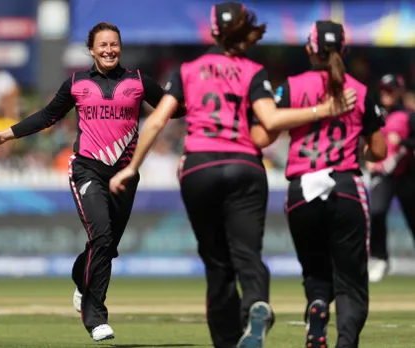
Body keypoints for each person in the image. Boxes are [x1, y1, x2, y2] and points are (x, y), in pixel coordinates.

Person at [109, 5, 357, 348]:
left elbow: (155, 121)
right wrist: (325, 110)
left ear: (212, 32)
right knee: (247, 253)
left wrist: (132, 167)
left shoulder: (188, 69)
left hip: (199, 167)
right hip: (244, 166)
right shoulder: (253, 71)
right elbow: (270, 120)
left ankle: (226, 341)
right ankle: (256, 302)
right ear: (241, 31)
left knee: (216, 260)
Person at [0, 21, 184, 343]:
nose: (109, 50)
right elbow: (48, 116)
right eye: (102, 45)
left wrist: (183, 92)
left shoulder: (139, 81)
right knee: (101, 236)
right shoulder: (76, 83)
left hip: (125, 174)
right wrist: (7, 134)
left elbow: (174, 111)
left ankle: (80, 281)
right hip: (87, 169)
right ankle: (95, 318)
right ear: (91, 49)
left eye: (114, 44)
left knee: (107, 247)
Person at [272, 20, 387, 348]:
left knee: (314, 270)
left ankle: (318, 306)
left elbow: (264, 131)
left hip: (302, 188)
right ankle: (345, 342)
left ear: (310, 49)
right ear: (344, 50)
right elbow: (379, 150)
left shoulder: (292, 86)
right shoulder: (361, 89)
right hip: (345, 185)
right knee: (351, 282)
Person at [366, 74, 415, 283]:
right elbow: (365, 137)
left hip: (406, 174)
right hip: (382, 174)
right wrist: (368, 158)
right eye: (383, 89)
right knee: (376, 213)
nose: (386, 93)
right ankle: (379, 257)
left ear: (399, 91)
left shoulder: (408, 115)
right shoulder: (376, 114)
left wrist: (403, 146)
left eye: (390, 89)